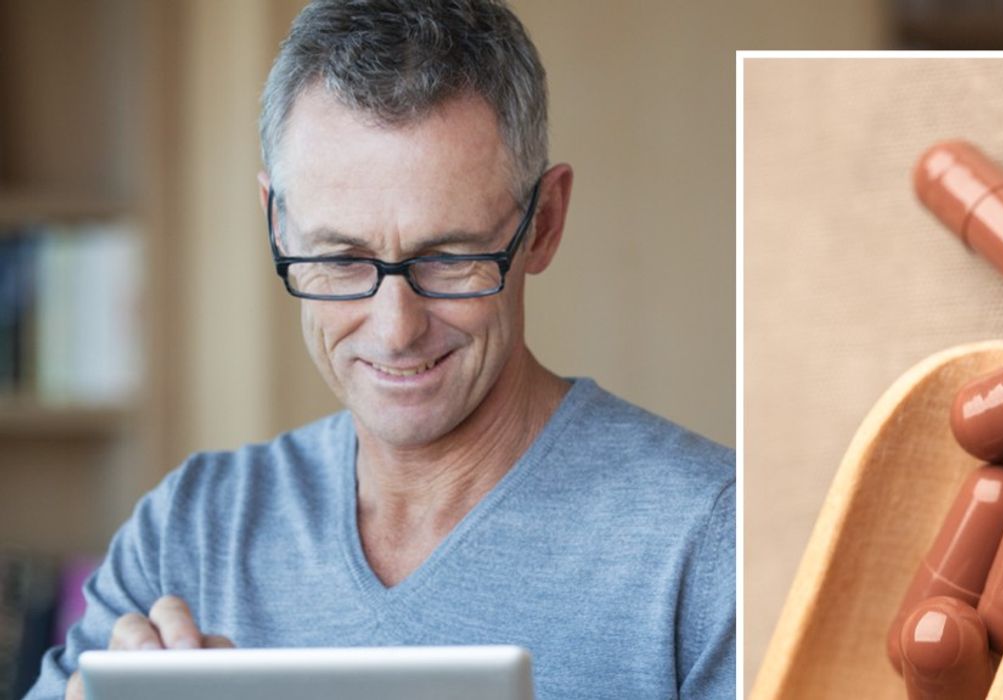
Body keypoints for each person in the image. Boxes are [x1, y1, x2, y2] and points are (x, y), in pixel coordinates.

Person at [24, 1, 734, 698]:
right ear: (279, 226)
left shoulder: (708, 539)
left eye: (449, 257)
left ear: (543, 224)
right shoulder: (192, 532)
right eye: (341, 259)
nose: (395, 329)